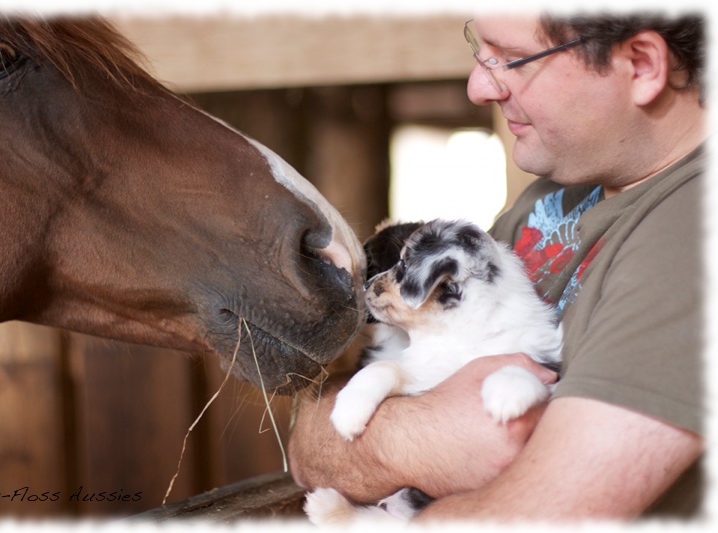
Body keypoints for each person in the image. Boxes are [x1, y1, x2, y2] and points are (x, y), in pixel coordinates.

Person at [287, 11, 706, 521]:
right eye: (478, 51)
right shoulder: (561, 190)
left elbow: (538, 517)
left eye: (511, 59)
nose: (478, 86)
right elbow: (308, 443)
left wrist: (371, 439)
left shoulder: (689, 235)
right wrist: (420, 437)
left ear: (641, 66)